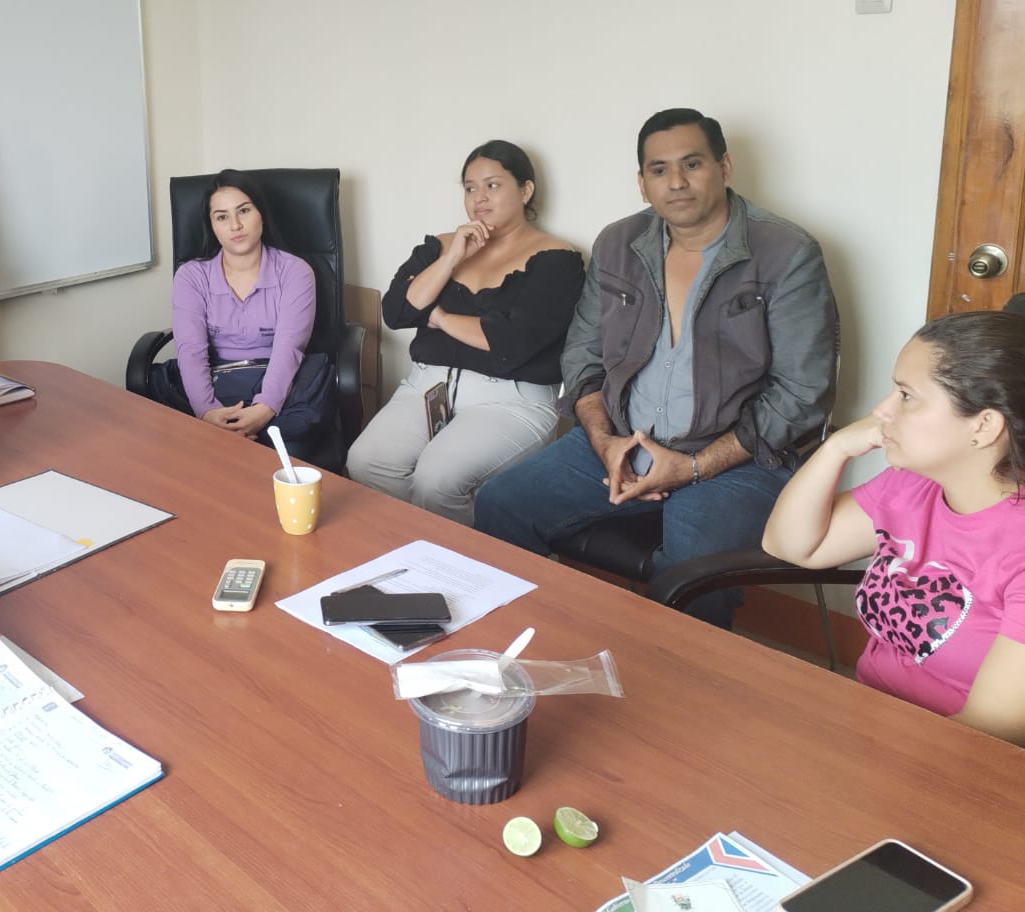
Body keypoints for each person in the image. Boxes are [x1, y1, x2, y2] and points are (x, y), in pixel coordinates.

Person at [474, 109, 839, 626]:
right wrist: (604, 441)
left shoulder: (786, 253)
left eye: (692, 164)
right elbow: (583, 355)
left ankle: (676, 673)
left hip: (738, 457)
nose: (677, 182)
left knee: (690, 575)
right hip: (622, 440)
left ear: (724, 168)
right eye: (659, 169)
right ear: (642, 184)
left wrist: (693, 466)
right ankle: (530, 641)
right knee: (500, 503)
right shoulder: (618, 244)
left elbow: (802, 393)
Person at [762, 312, 1025, 744]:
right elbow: (791, 545)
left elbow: (985, 737)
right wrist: (837, 447)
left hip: (945, 759)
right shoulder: (913, 485)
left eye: (906, 396)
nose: (882, 410)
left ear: (983, 426)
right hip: (867, 722)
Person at [345, 141, 583, 524]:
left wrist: (437, 317)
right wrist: (453, 256)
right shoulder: (440, 246)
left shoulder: (557, 258)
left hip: (510, 399)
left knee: (436, 479)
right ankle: (416, 546)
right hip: (427, 388)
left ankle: (468, 554)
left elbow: (511, 341)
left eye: (493, 185)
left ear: (525, 190)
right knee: (365, 461)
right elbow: (397, 311)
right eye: (470, 188)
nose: (479, 198)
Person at [151, 170, 337, 460]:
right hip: (215, 381)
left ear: (261, 213)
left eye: (244, 211)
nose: (235, 225)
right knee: (187, 455)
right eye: (222, 217)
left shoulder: (295, 271)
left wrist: (264, 410)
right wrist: (207, 412)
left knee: (286, 453)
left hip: (279, 383)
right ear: (211, 225)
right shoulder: (191, 276)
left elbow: (289, 348)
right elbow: (191, 351)